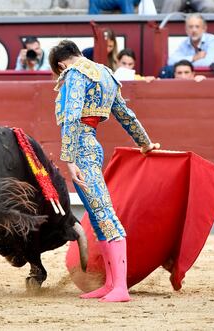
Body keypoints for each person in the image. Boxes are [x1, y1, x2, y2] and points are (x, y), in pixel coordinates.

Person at [49, 40, 160, 302]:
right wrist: (144, 144)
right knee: (98, 216)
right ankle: (111, 284)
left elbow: (74, 116)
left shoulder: (75, 74)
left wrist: (69, 158)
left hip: (82, 150)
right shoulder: (106, 74)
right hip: (90, 144)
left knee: (103, 213)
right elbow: (126, 115)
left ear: (62, 65)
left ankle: (120, 287)